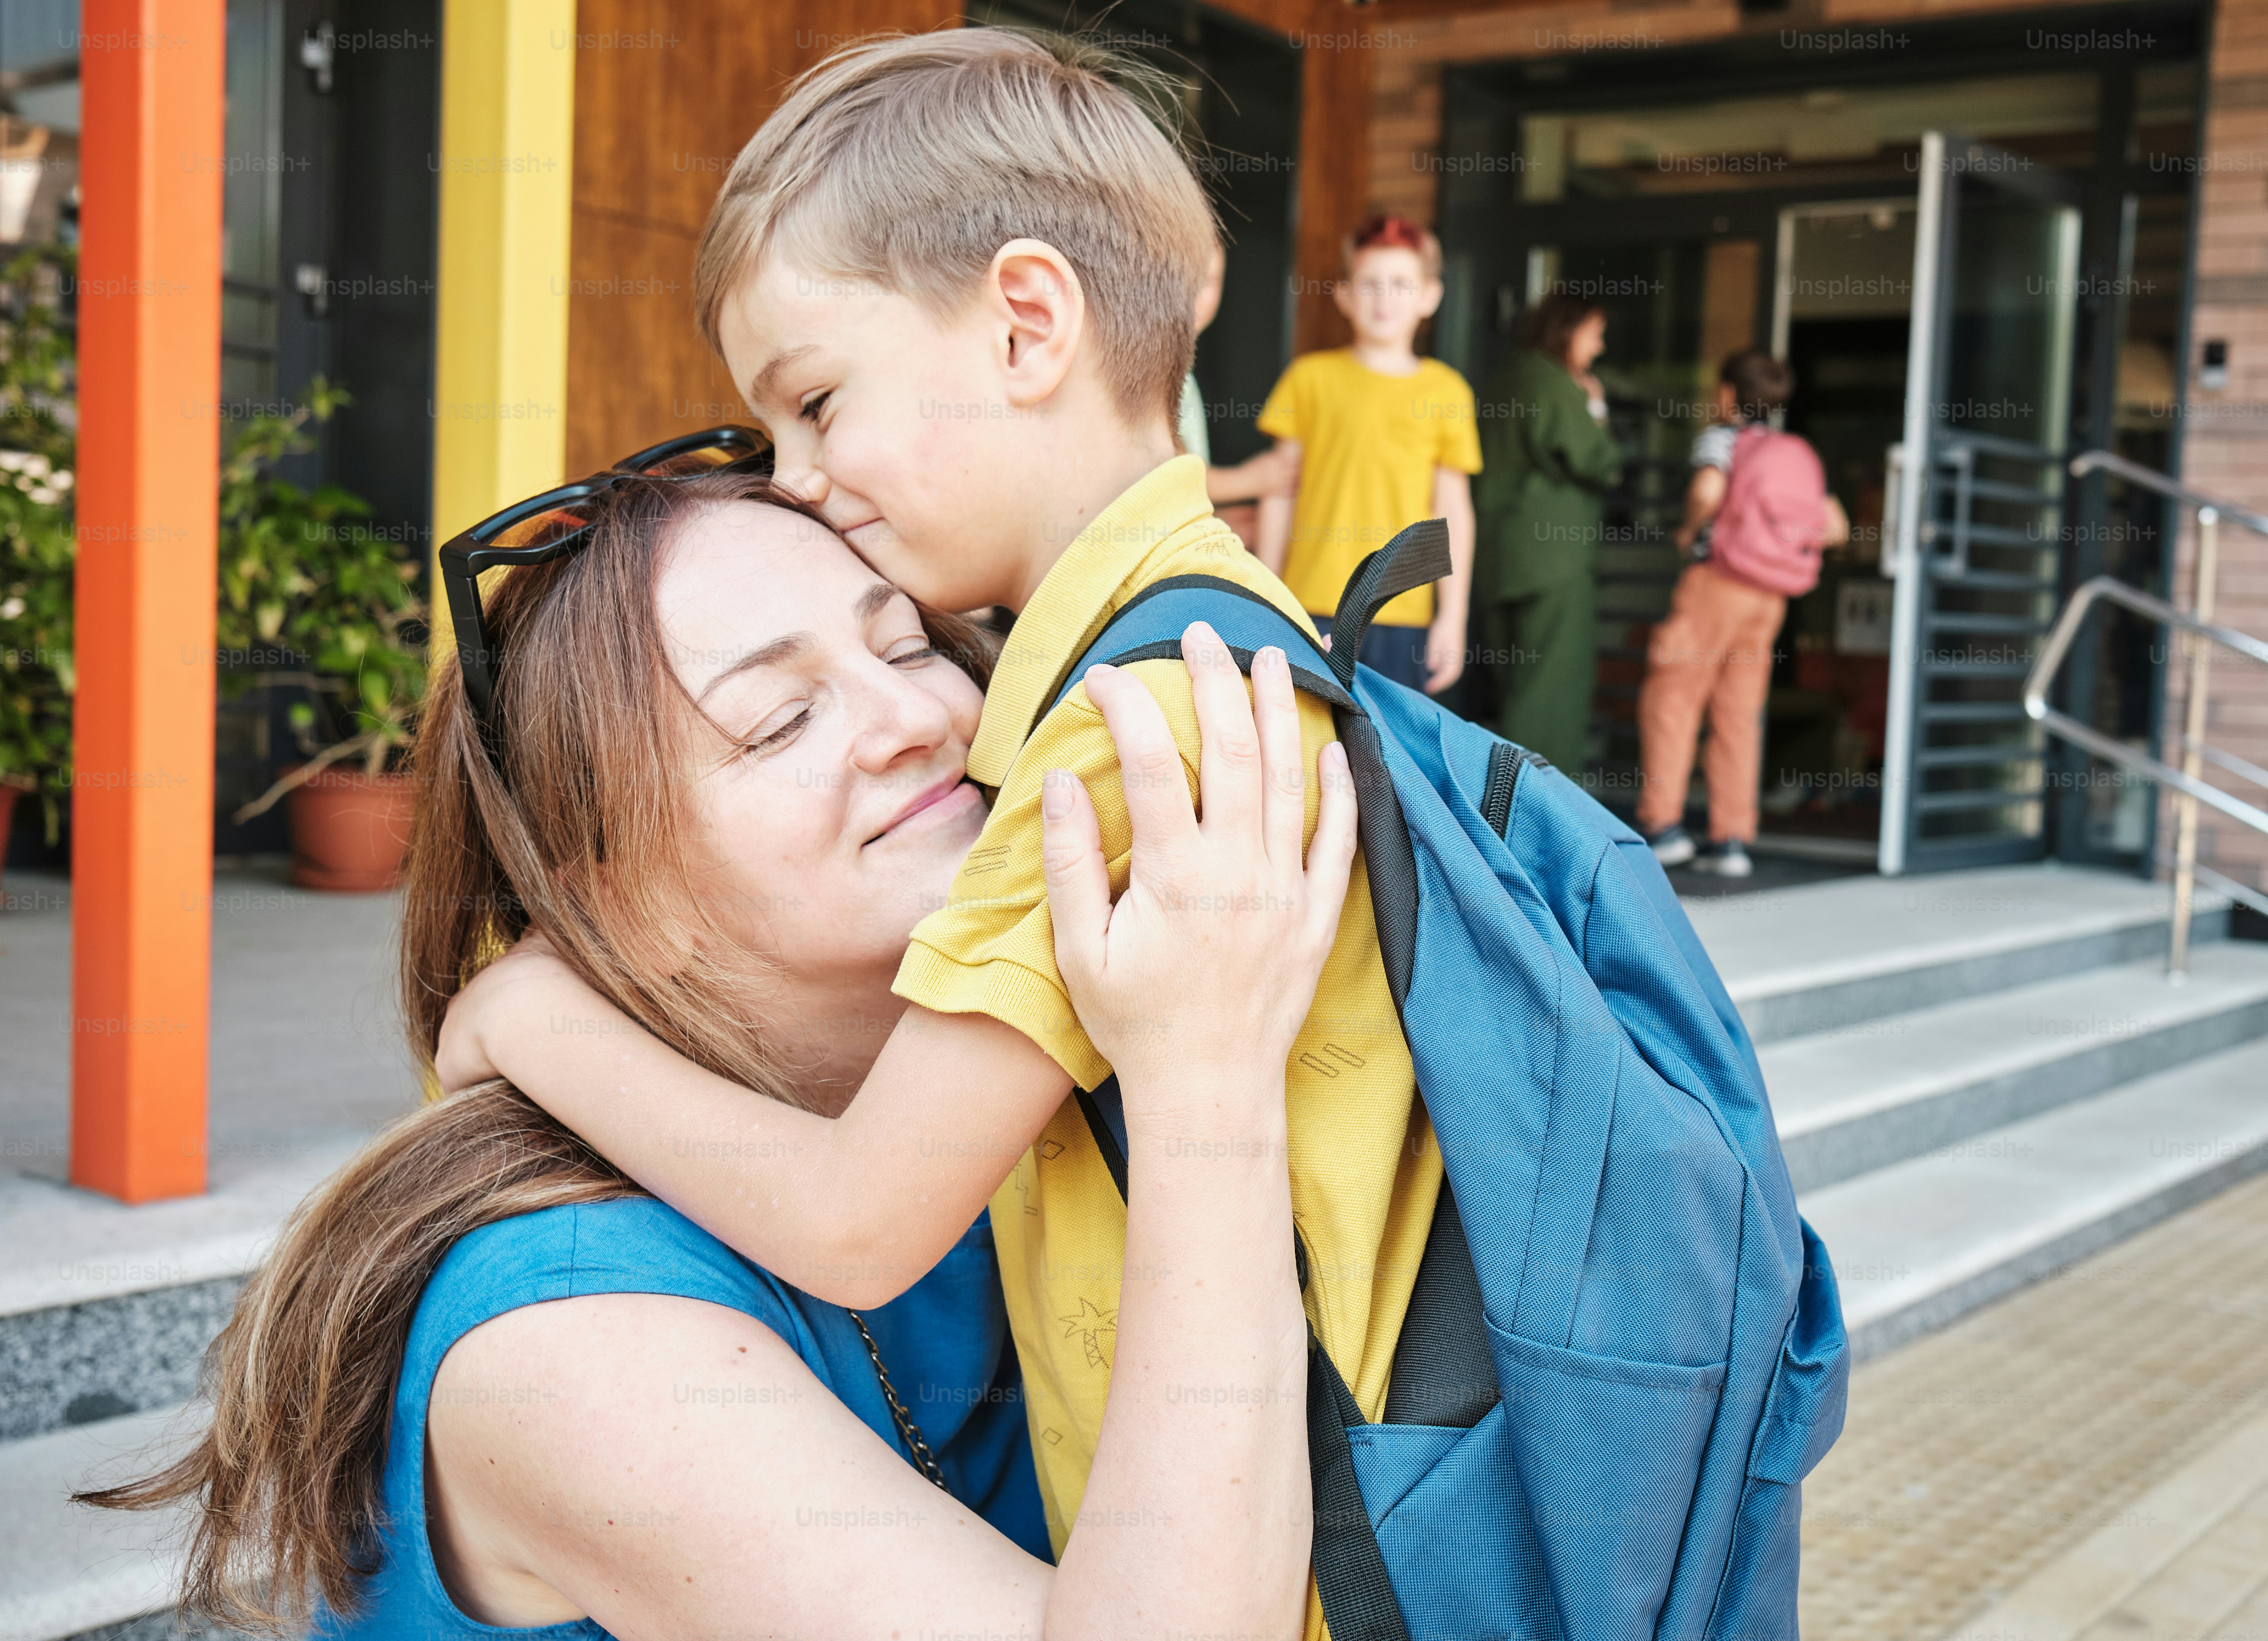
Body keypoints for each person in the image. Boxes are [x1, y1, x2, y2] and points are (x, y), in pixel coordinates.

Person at [441, 35, 1443, 1634]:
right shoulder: (1221, 639)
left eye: (816, 404)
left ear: (1029, 322)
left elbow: (855, 1217)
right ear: (610, 889)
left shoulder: (1129, 722)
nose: (802, 480)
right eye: (777, 719)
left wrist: (519, 1015)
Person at [83, 471, 1347, 1641]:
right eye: (782, 720)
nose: (917, 716)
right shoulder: (571, 1339)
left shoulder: (1006, 1101)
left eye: (907, 644)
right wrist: (1207, 1083)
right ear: (620, 904)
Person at [1640, 348, 1850, 878]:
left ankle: (1663, 829)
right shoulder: (1795, 452)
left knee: (1673, 698)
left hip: (1718, 581)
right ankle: (1730, 840)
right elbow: (1836, 527)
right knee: (1739, 713)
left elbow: (1707, 490)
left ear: (1729, 393)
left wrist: (1689, 530)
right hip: (1769, 597)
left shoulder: (1722, 440)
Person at [1254, 214, 1483, 692]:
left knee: (1386, 739)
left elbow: (1452, 511)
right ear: (1344, 295)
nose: (1384, 298)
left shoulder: (1448, 391)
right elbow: (1279, 493)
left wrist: (1453, 617)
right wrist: (1266, 593)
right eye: (1370, 283)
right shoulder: (1308, 379)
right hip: (1309, 604)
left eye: (1401, 284)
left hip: (1404, 607)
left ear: (1429, 297)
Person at [1474, 292, 1625, 773]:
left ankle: (1501, 797)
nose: (1598, 347)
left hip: (1501, 558)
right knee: (1551, 696)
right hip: (1553, 562)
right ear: (1568, 329)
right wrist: (1596, 409)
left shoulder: (1504, 379)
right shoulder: (1555, 384)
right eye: (1594, 334)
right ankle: (1540, 808)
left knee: (1517, 685)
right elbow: (1600, 462)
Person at [1183, 236, 1297, 512]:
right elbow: (1168, 477)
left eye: (1209, 281)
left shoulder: (1185, 378)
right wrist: (1250, 480)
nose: (1195, 294)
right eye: (1184, 278)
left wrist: (1222, 517)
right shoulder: (1145, 373)